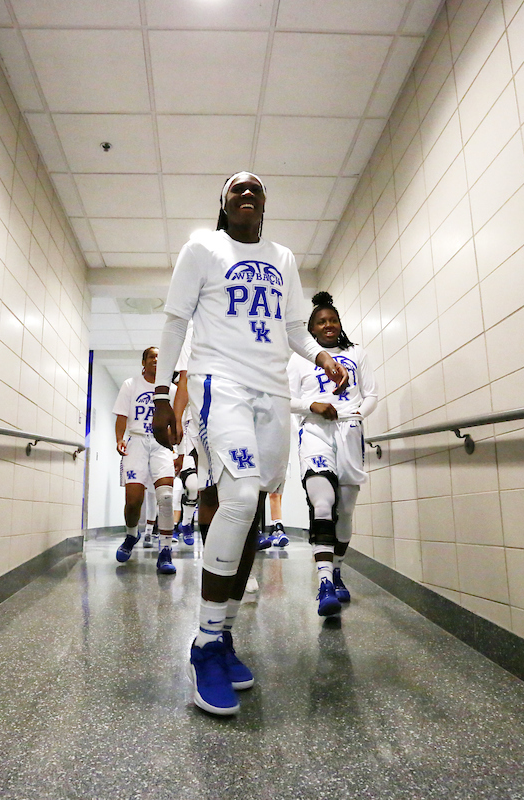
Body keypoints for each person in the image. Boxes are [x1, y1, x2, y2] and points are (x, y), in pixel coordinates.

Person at [151, 171, 349, 716]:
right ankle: (204, 645)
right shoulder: (202, 249)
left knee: (254, 515)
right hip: (222, 383)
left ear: (264, 204)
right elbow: (174, 322)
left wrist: (323, 358)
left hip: (271, 391)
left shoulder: (283, 258)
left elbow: (292, 329)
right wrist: (165, 394)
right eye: (236, 187)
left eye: (255, 189)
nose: (246, 193)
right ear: (223, 203)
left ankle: (225, 632)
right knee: (236, 499)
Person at [288, 292, 377, 616]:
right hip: (314, 430)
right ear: (312, 330)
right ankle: (325, 582)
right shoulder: (300, 358)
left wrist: (356, 414)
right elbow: (286, 398)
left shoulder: (357, 354)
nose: (328, 325)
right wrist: (313, 404)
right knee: (323, 503)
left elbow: (372, 394)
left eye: (333, 320)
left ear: (339, 325)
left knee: (346, 511)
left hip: (350, 432)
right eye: (321, 321)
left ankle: (337, 569)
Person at [113, 346, 177, 574]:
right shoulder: (131, 385)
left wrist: (177, 449)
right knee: (133, 500)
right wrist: (120, 438)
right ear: (144, 361)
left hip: (161, 443)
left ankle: (165, 552)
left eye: (160, 356)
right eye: (152, 356)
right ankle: (132, 535)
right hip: (137, 441)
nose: (156, 360)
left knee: (166, 497)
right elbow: (122, 415)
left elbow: (177, 421)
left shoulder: (172, 389)